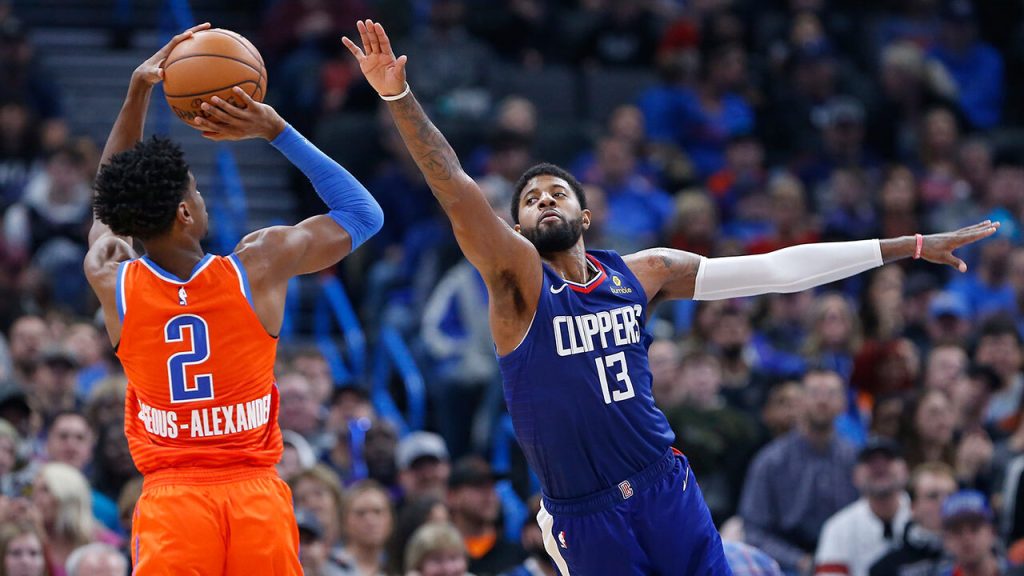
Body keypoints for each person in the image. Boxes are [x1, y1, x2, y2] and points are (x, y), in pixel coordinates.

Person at [343, 18, 999, 576]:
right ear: (516, 227)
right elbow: (456, 189)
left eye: (556, 193)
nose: (543, 199)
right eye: (530, 199)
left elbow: (774, 271)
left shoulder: (643, 273)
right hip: (585, 509)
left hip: (663, 480)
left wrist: (905, 245)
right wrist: (398, 94)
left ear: (585, 214)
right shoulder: (517, 282)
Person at [82, 24, 383, 575]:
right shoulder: (258, 265)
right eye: (194, 190)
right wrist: (277, 131)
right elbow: (364, 215)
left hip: (173, 501)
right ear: (184, 213)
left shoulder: (113, 279)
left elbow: (107, 208)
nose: (201, 195)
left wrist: (137, 94)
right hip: (252, 494)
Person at [741, 369, 859, 574]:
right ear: (801, 401)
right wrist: (800, 561)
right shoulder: (771, 461)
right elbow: (754, 531)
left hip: (846, 558)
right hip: (788, 563)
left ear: (843, 404)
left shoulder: (855, 459)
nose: (822, 401)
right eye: (814, 393)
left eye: (831, 394)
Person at [814, 438, 912, 576]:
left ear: (905, 470)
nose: (880, 466)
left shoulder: (924, 517)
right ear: (855, 476)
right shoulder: (837, 528)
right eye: (870, 461)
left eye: (888, 459)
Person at [870, 462, 958, 576]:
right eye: (933, 496)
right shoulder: (885, 568)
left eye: (951, 495)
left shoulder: (975, 555)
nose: (944, 503)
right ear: (913, 507)